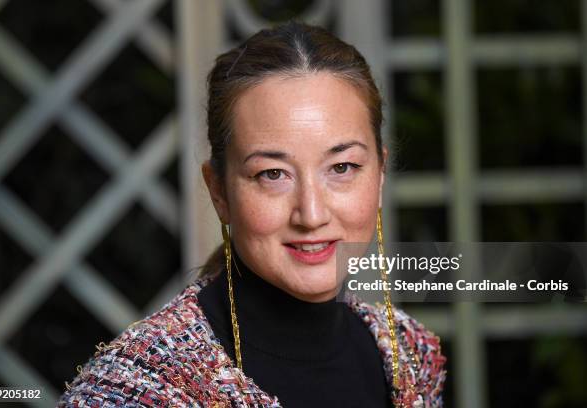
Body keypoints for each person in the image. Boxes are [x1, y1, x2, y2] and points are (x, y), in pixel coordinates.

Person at [58, 20, 446, 408]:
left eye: (342, 168)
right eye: (272, 174)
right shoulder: (140, 389)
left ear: (379, 174)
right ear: (219, 190)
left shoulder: (412, 357)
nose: (311, 214)